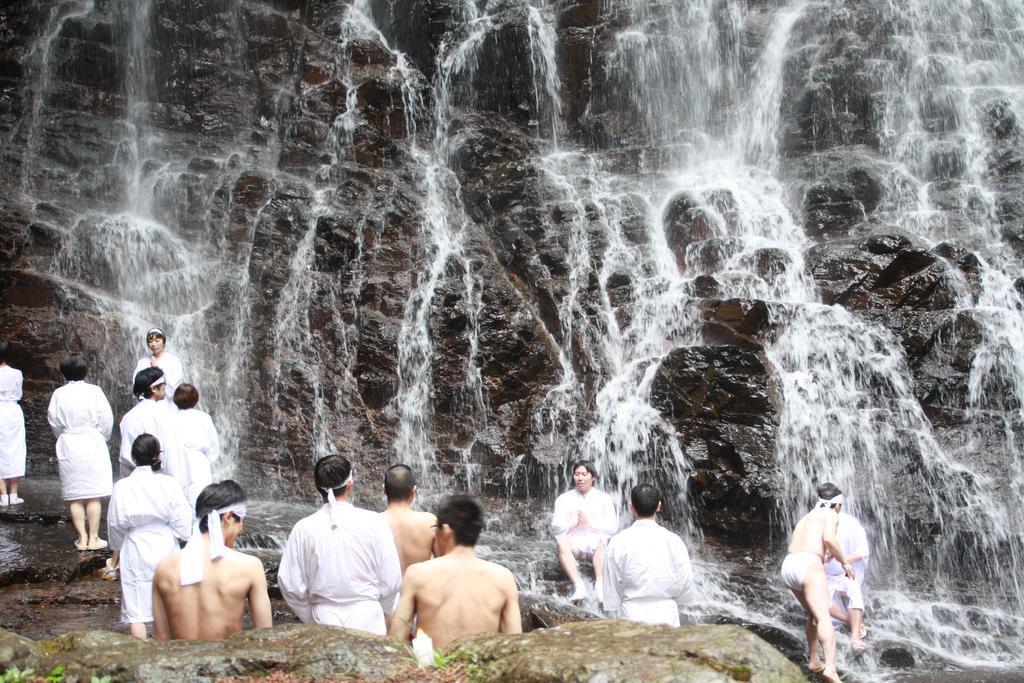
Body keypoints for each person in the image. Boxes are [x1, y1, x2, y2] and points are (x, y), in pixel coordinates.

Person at [278, 455, 402, 635]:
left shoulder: (303, 528)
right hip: (368, 617)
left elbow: (290, 584)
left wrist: (311, 616)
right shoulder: (375, 522)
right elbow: (391, 580)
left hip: (323, 617)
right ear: (350, 485)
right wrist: (381, 609)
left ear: (316, 487)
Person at [388, 495, 521, 650]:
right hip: (482, 671)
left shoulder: (417, 575)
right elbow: (514, 645)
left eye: (435, 528)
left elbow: (396, 639)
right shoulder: (503, 578)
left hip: (432, 671)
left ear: (445, 529)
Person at [152, 480, 272, 640]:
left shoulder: (164, 568)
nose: (241, 531)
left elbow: (162, 639)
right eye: (242, 521)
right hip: (225, 663)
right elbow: (266, 637)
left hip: (178, 663)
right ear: (229, 517)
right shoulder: (249, 567)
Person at [107, 434, 193, 639]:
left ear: (133, 458)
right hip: (166, 544)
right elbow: (182, 519)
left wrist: (115, 552)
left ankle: (141, 655)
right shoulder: (169, 484)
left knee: (136, 610)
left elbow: (115, 524)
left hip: (135, 545)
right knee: (170, 601)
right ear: (158, 455)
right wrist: (184, 536)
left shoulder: (122, 486)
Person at [780, 487, 856, 682]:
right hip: (808, 564)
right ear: (837, 505)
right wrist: (844, 562)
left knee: (814, 614)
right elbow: (829, 539)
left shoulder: (806, 517)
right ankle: (830, 668)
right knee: (824, 618)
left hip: (789, 564)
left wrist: (827, 555)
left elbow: (800, 545)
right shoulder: (831, 514)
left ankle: (814, 660)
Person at [47, 354, 114, 549]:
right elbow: (106, 420)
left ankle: (82, 537)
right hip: (93, 441)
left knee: (75, 494)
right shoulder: (95, 391)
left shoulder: (59, 394)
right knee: (93, 493)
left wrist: (64, 436)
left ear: (64, 372)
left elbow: (54, 422)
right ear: (85, 371)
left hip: (69, 442)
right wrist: (101, 437)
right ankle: (94, 538)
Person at [603, 483, 695, 626]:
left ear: (630, 507)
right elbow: (686, 580)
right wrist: (680, 600)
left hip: (632, 614)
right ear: (659, 506)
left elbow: (611, 584)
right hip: (667, 615)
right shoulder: (674, 541)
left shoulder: (617, 541)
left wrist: (615, 604)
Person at [550, 460, 618, 601]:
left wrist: (589, 524)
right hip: (574, 542)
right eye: (576, 474)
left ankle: (600, 586)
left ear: (592, 477)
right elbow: (555, 527)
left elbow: (612, 528)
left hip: (595, 542)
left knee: (602, 545)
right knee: (562, 543)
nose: (580, 478)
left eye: (584, 474)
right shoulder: (564, 498)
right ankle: (579, 586)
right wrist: (573, 525)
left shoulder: (604, 499)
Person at [819, 483, 870, 650]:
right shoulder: (815, 521)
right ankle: (849, 620)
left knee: (854, 592)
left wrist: (843, 561)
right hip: (822, 575)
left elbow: (863, 550)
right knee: (820, 603)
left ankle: (855, 635)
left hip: (846, 573)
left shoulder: (851, 523)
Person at [119, 368, 182, 480]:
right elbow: (170, 451)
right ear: (153, 388)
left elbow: (125, 452)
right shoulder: (162, 414)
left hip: (132, 476)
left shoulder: (128, 416)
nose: (165, 387)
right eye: (163, 383)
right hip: (157, 475)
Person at [380, 464, 436, 574]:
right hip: (419, 589)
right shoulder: (430, 521)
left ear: (384, 489)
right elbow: (442, 563)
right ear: (414, 491)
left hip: (384, 591)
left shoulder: (372, 523)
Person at [171, 384, 220, 507]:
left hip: (176, 461)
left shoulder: (169, 418)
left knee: (179, 503)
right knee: (201, 503)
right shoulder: (204, 418)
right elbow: (214, 445)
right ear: (196, 399)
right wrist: (206, 460)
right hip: (199, 463)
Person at [0, 339, 26, 506]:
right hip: (13, 411)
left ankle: (2, 496)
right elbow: (19, 393)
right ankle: (13, 494)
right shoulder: (17, 373)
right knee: (16, 449)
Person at [134, 327, 183, 402]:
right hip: (147, 404)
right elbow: (137, 384)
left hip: (168, 404)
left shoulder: (174, 361)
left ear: (164, 341)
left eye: (157, 341)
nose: (153, 344)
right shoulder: (142, 363)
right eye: (150, 341)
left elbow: (175, 385)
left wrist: (157, 371)